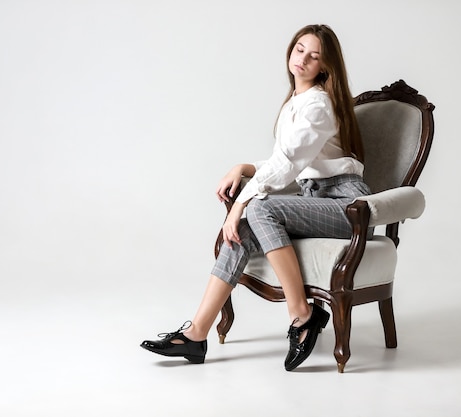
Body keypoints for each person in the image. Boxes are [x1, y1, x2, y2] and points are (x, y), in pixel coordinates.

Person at [140, 24, 370, 371]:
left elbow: (287, 164)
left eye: (314, 55)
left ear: (326, 66)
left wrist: (240, 206)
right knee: (243, 236)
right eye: (299, 49)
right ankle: (197, 335)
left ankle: (301, 314)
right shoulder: (297, 102)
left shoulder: (318, 106)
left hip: (346, 207)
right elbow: (291, 161)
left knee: (259, 209)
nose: (303, 59)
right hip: (315, 198)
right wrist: (243, 166)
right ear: (290, 51)